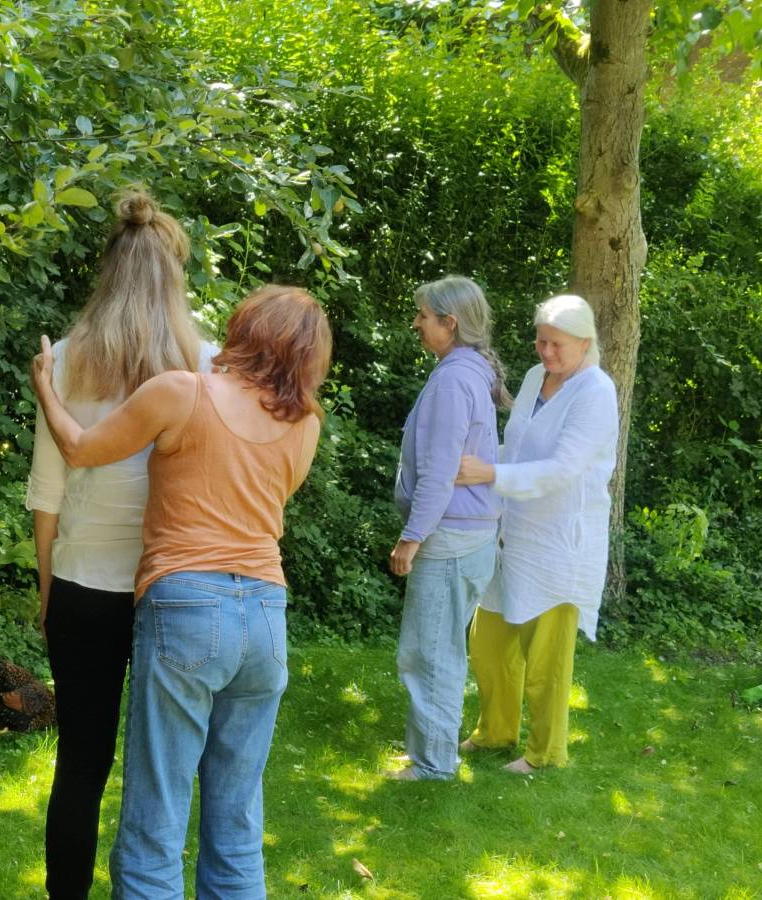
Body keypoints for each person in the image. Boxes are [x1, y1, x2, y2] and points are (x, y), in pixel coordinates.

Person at [30, 285, 330, 900]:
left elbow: (81, 449)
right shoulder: (305, 425)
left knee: (155, 822)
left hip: (189, 606)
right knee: (237, 824)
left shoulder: (181, 391)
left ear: (246, 329)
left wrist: (47, 389)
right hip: (266, 614)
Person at [25, 189, 218, 900]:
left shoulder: (65, 361)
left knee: (80, 765)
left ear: (107, 273)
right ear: (175, 277)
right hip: (172, 588)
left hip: (83, 585)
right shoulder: (206, 362)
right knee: (164, 766)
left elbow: (47, 493)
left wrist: (48, 591)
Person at [456, 293, 619, 773]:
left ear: (585, 343)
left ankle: (546, 752)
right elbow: (516, 446)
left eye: (556, 344)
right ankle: (495, 731)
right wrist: (491, 483)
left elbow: (562, 469)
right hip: (513, 532)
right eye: (540, 341)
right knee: (488, 643)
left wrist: (489, 475)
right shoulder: (534, 378)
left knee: (546, 659)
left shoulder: (595, 391)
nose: (546, 352)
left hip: (559, 542)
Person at [386, 275, 512, 781]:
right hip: (467, 535)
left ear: (450, 323)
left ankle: (434, 764)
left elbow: (440, 470)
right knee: (437, 649)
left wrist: (411, 537)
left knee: (430, 654)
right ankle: (431, 752)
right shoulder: (467, 371)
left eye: (423, 315)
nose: (416, 323)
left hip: (451, 538)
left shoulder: (455, 380)